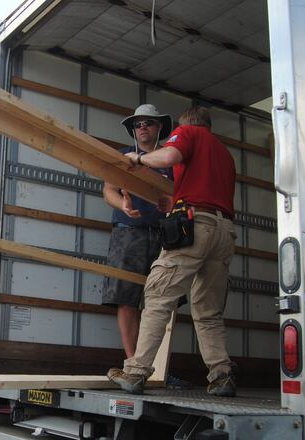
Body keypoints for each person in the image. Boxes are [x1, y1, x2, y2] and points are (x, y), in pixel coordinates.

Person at [107, 106, 238, 397]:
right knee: (208, 311)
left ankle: (136, 372)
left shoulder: (187, 133)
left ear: (185, 125)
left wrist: (138, 158)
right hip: (224, 230)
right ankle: (221, 375)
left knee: (157, 297)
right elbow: (202, 188)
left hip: (197, 226)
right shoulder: (225, 154)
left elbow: (168, 156)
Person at [101, 104, 190, 390]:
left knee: (163, 301)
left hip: (167, 235)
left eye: (149, 123)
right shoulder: (122, 157)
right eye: (138, 123)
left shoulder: (171, 159)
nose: (143, 127)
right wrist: (124, 207)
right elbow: (109, 191)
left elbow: (184, 196)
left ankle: (158, 371)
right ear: (133, 129)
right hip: (129, 233)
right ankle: (133, 367)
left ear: (159, 128)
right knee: (127, 299)